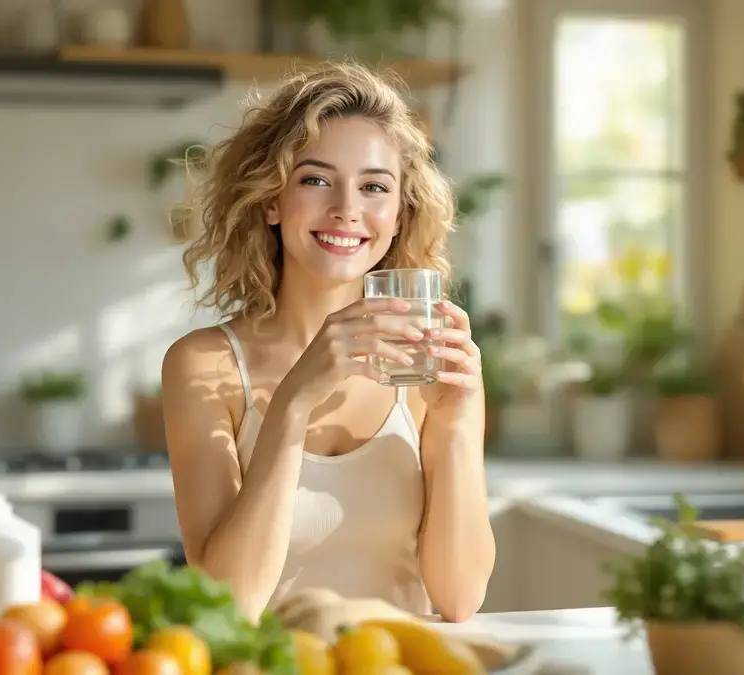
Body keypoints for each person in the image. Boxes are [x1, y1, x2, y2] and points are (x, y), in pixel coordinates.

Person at [161, 61, 495, 624]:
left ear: (398, 214)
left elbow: (460, 598)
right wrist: (292, 403)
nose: (346, 208)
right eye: (315, 179)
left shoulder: (429, 364)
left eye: (374, 187)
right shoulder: (204, 365)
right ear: (271, 200)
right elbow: (227, 604)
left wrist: (457, 422)